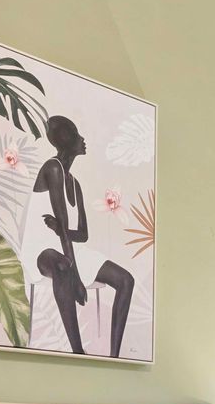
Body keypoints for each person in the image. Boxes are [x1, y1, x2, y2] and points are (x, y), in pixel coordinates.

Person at [23, 114, 134, 358]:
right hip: (40, 250)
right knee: (63, 266)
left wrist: (58, 229)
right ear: (65, 139)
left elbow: (82, 235)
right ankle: (77, 351)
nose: (83, 139)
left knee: (126, 280)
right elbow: (64, 228)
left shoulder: (75, 184)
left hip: (67, 246)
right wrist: (75, 278)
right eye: (76, 135)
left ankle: (114, 357)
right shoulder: (53, 168)